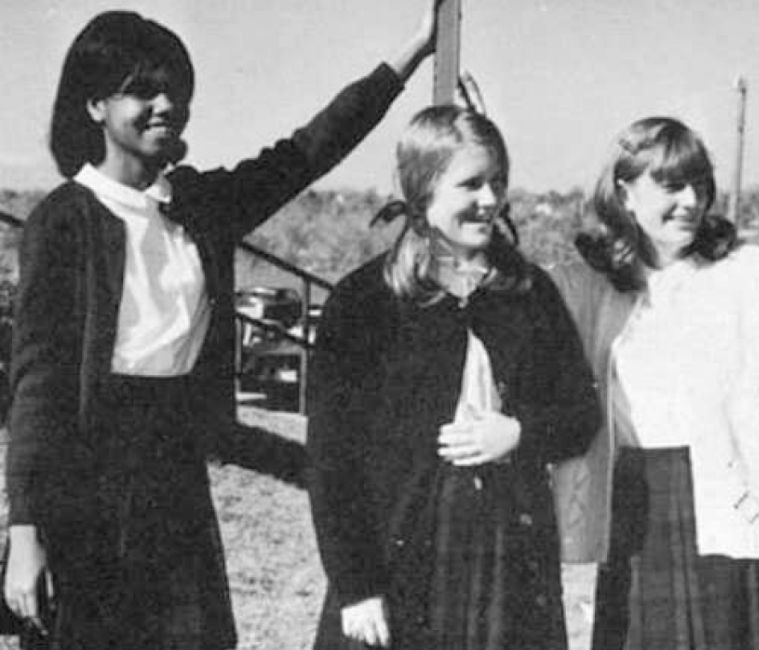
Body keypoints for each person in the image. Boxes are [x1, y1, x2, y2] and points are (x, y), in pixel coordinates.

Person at [3, 6, 438, 649]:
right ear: (94, 104)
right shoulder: (64, 221)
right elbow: (38, 386)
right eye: (142, 90)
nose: (165, 105)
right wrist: (25, 534)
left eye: (175, 89)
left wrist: (415, 52)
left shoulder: (198, 207)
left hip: (175, 483)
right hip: (88, 494)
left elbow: (307, 153)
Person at [307, 105, 601, 649]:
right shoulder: (365, 302)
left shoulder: (530, 294)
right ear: (423, 189)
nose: (490, 200)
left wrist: (518, 434)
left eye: (499, 183)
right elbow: (331, 461)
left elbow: (582, 414)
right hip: (403, 561)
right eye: (471, 184)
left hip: (507, 556)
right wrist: (356, 586)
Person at [549, 116, 759, 650]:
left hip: (748, 539)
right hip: (636, 529)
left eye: (700, 184)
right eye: (670, 185)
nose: (690, 200)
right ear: (624, 193)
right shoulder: (592, 288)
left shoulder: (754, 273)